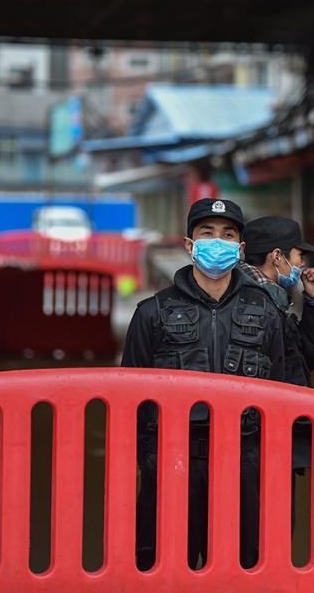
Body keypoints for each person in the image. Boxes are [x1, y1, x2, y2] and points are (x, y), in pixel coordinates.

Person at [122, 198, 285, 570]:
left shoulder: (266, 313)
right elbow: (131, 397)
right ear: (189, 244)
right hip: (172, 460)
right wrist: (148, 461)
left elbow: (279, 393)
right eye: (207, 233)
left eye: (228, 235)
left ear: (240, 249)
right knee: (164, 566)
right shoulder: (153, 312)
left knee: (241, 567)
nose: (217, 241)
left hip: (242, 463)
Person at [239, 215, 314, 529]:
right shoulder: (249, 304)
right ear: (277, 256)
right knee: (264, 535)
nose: (303, 264)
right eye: (299, 255)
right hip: (257, 446)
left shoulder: (274, 301)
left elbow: (304, 358)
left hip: (272, 443)